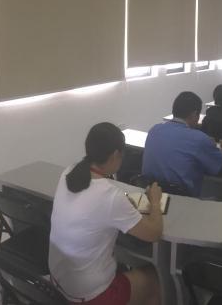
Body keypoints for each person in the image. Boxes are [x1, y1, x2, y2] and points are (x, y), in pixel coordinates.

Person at [49, 123, 163, 305]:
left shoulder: (69, 172)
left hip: (58, 280)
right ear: (116, 155)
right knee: (155, 278)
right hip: (90, 295)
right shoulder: (111, 196)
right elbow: (154, 233)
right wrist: (155, 201)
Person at [142, 92, 222, 197]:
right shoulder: (199, 139)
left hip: (153, 194)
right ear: (194, 114)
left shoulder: (154, 130)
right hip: (183, 197)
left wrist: (206, 144)